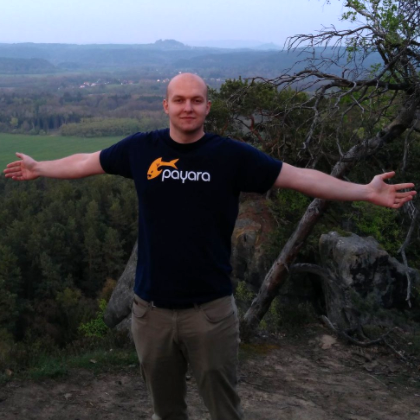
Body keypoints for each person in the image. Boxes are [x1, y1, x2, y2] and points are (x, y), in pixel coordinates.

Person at [3, 73, 416, 420]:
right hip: (150, 313)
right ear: (165, 106)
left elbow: (300, 176)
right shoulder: (140, 149)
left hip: (211, 313)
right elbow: (85, 161)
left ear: (207, 107)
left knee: (223, 409)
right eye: (179, 100)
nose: (188, 107)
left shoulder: (230, 157)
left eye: (196, 100)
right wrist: (42, 168)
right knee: (166, 411)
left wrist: (363, 191)